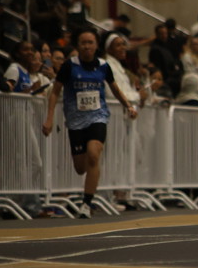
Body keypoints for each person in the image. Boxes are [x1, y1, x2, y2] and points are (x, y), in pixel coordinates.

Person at [42, 29, 138, 218]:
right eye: (83, 43)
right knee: (80, 168)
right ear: (78, 45)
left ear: (96, 45)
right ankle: (90, 179)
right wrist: (49, 118)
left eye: (90, 42)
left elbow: (115, 89)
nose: (87, 46)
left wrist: (128, 106)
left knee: (94, 155)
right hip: (75, 121)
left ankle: (86, 204)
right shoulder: (69, 66)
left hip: (97, 116)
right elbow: (55, 92)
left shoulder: (103, 66)